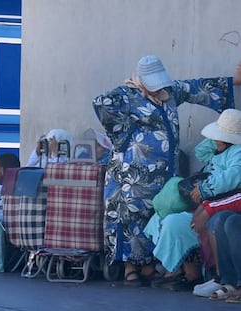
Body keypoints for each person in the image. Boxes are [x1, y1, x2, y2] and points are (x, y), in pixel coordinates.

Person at [92, 54, 241, 286]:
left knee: (155, 212)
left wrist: (233, 81)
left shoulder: (169, 91)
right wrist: (124, 136)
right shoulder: (127, 95)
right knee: (131, 215)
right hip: (133, 172)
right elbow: (102, 103)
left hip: (163, 172)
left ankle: (150, 265)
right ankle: (130, 268)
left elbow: (195, 88)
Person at [144, 109, 241, 291]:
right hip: (207, 200)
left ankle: (201, 275)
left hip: (220, 201)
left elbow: (233, 176)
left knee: (177, 222)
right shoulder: (219, 149)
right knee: (160, 218)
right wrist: (216, 140)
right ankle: (177, 271)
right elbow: (201, 151)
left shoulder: (237, 152)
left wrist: (204, 189)